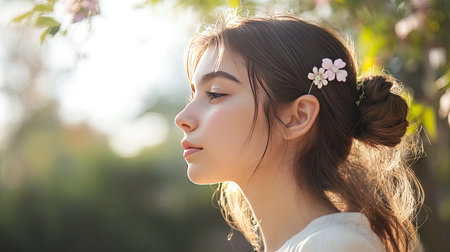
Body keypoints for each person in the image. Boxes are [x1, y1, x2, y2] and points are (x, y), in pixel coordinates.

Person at [175, 15, 424, 252]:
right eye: (194, 94)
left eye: (216, 94)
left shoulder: (336, 245)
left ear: (297, 117)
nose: (182, 118)